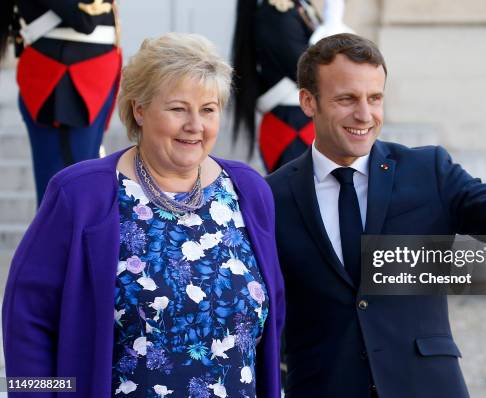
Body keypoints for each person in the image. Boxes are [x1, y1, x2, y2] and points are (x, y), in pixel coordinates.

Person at [266, 33, 486, 397]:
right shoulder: (271, 196)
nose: (365, 115)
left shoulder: (427, 170)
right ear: (309, 102)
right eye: (347, 99)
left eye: (375, 98)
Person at [3, 33, 284, 398]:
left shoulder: (249, 191)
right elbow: (27, 319)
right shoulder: (80, 194)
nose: (195, 125)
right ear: (139, 109)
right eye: (178, 108)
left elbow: (273, 316)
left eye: (208, 109)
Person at [0, 0, 121, 205]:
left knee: (81, 195)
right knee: (66, 199)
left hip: (90, 75)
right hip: (64, 80)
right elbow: (84, 18)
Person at [231, 0, 350, 173]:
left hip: (304, 115)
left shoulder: (298, 5)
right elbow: (306, 68)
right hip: (292, 122)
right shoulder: (277, 13)